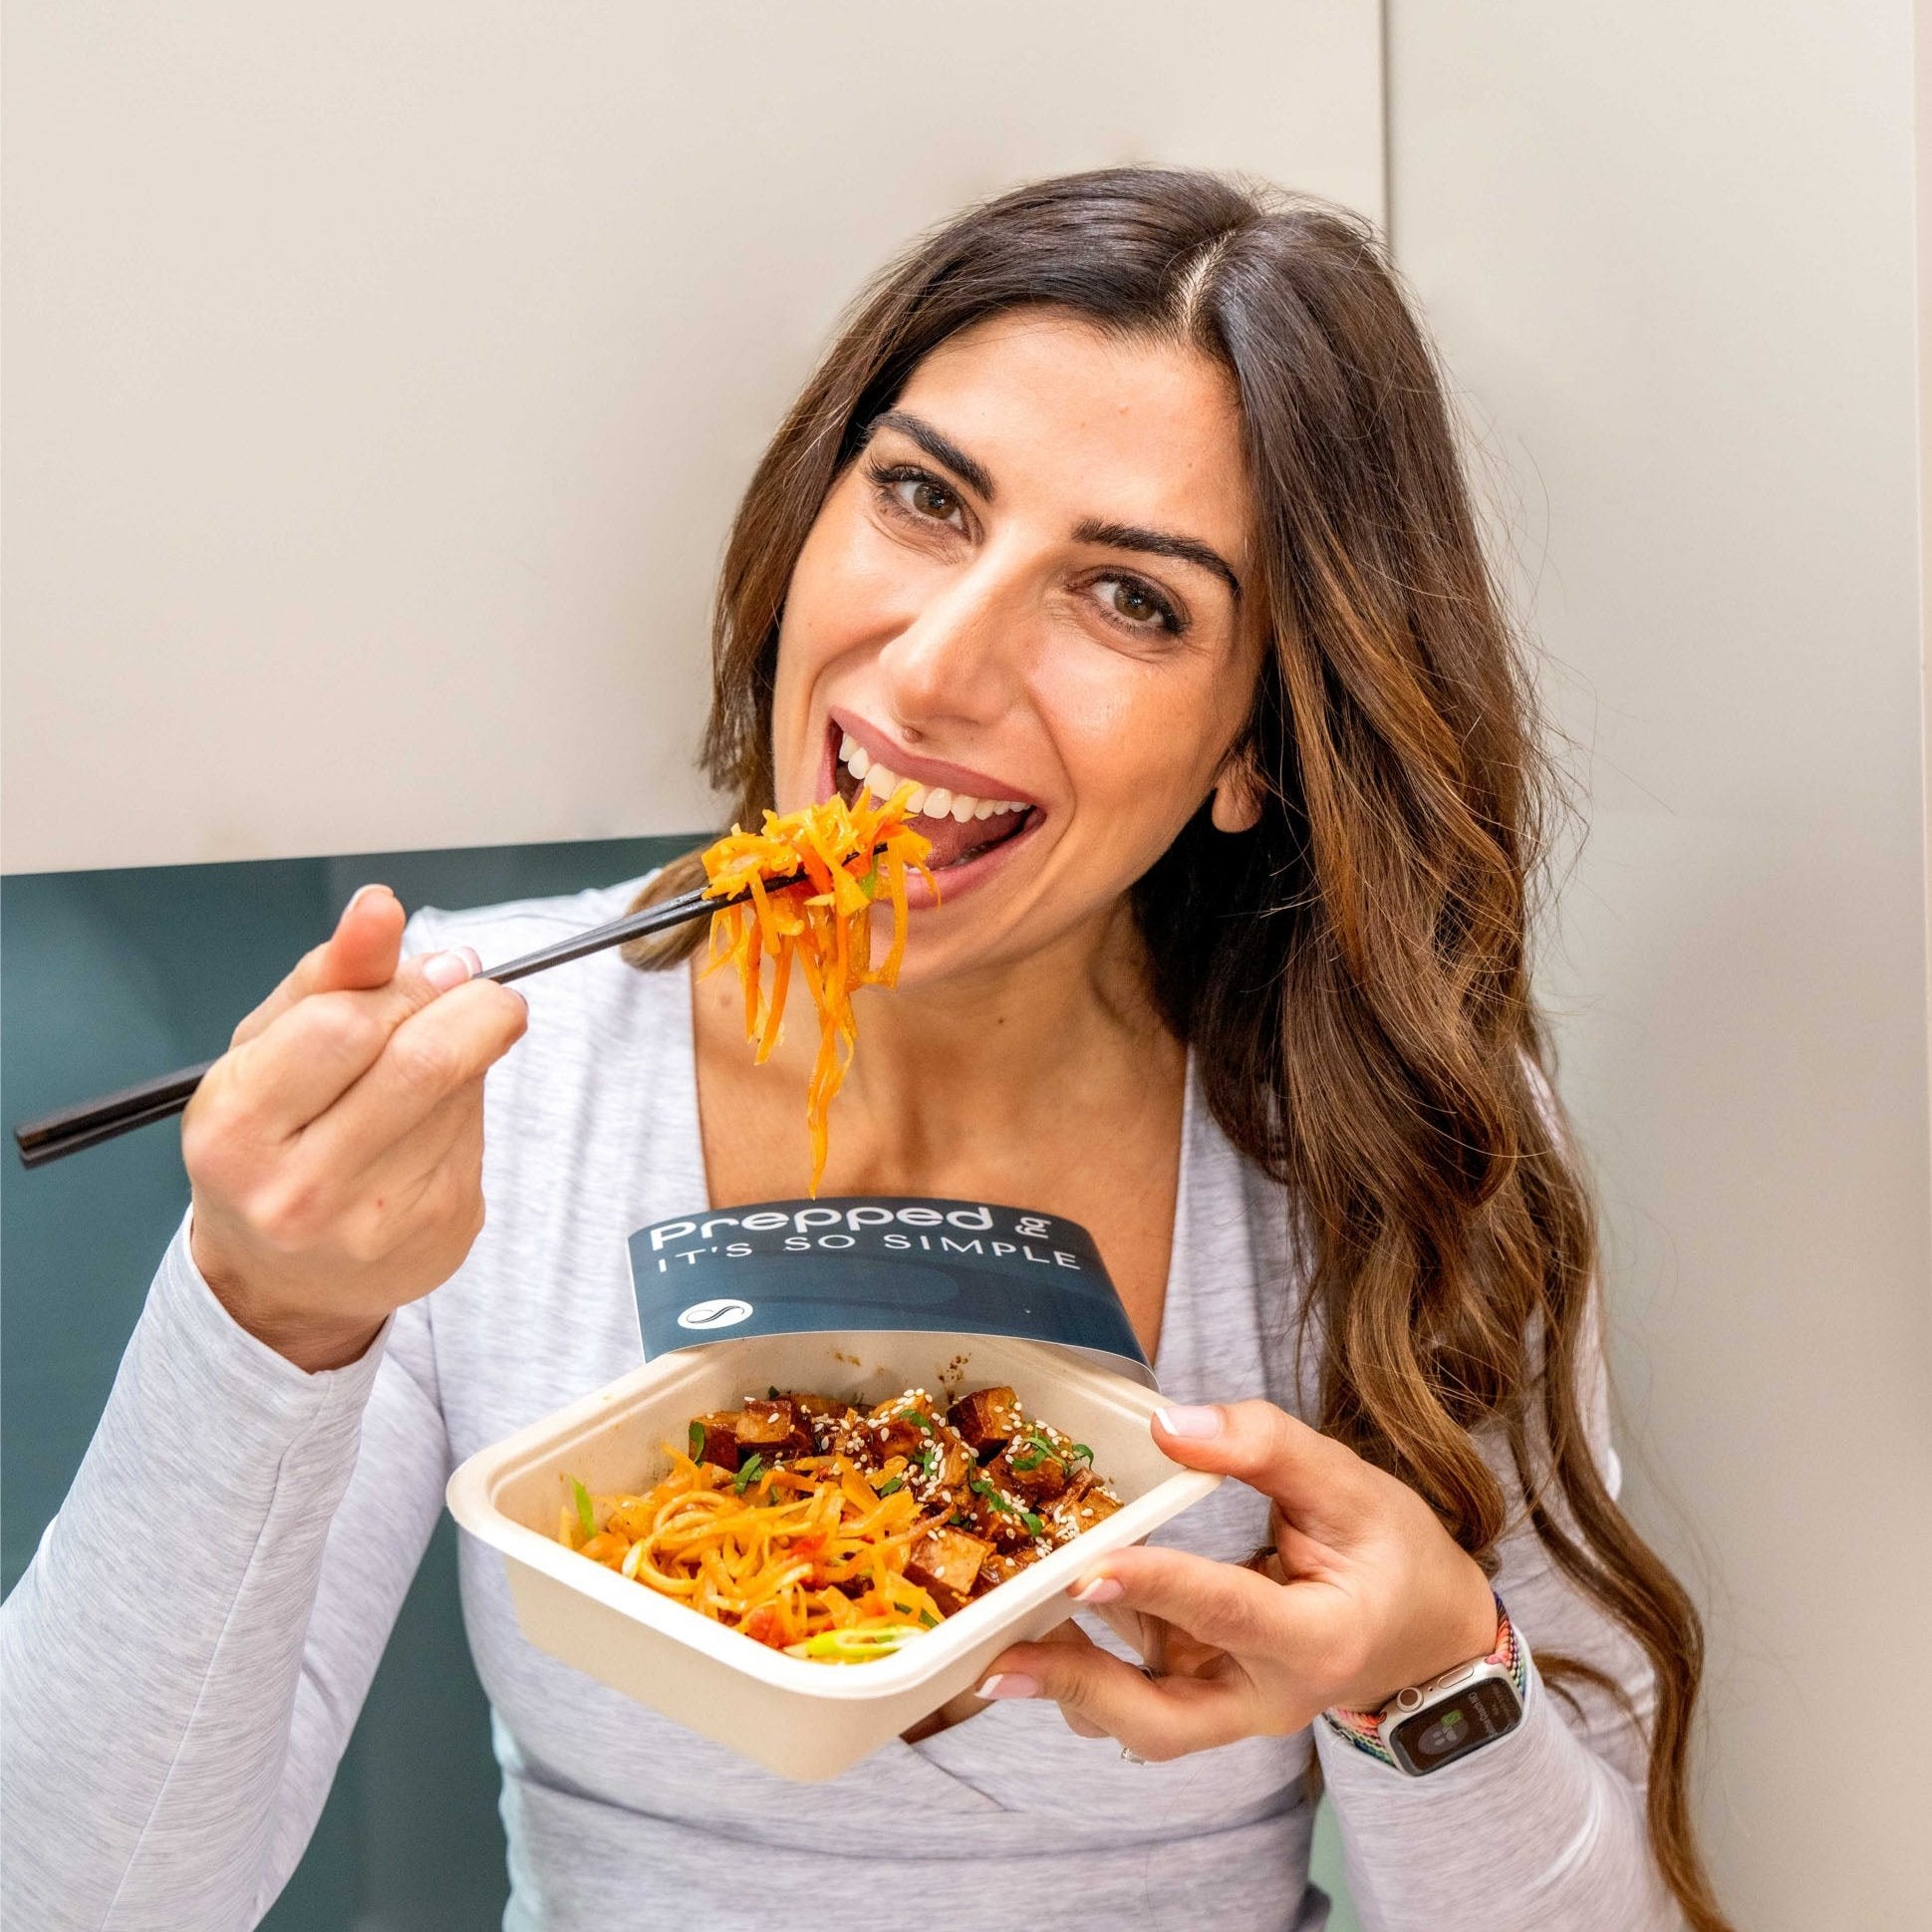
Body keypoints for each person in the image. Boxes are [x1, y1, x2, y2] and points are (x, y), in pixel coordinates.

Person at [0, 168, 1729, 1931]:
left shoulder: (1388, 1146)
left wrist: (1435, 1670)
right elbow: (86, 1900)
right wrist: (261, 1311)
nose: (939, 666)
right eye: (922, 498)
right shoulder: (476, 1067)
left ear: (1252, 750)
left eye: (1131, 599)